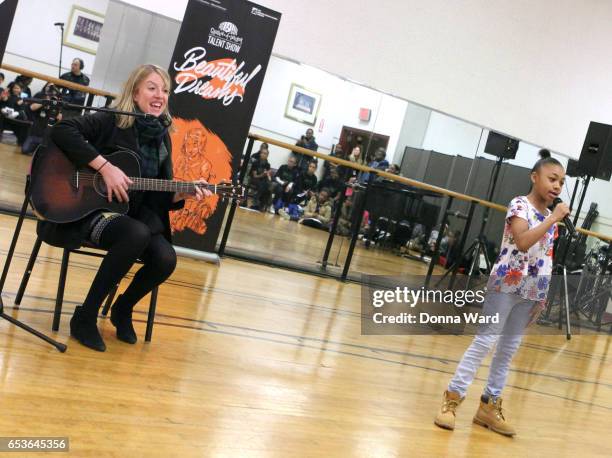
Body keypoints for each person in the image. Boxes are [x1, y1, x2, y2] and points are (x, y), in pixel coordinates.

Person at [39, 64, 210, 352]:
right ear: (135, 91)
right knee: (136, 234)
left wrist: (184, 194)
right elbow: (62, 130)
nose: (160, 96)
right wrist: (104, 167)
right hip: (86, 211)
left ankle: (122, 308)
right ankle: (86, 316)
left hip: (131, 217)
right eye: (153, 88)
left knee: (165, 258)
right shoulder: (112, 120)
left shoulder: (162, 138)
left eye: (165, 90)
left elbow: (158, 195)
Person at [434, 149, 569, 436]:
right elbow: (522, 242)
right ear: (535, 177)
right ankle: (452, 400)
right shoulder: (519, 205)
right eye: (552, 178)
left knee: (508, 350)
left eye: (561, 182)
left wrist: (542, 295)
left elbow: (545, 256)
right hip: (507, 285)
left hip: (530, 291)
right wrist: (553, 220)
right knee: (485, 342)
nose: (557, 186)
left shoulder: (549, 217)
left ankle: (488, 406)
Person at [21, 83, 63, 155]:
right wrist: (45, 101)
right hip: (36, 129)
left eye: (53, 88)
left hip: (47, 131)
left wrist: (56, 105)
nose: (50, 89)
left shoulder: (57, 99)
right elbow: (32, 107)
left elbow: (59, 117)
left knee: (43, 153)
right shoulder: (40, 95)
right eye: (49, 87)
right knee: (25, 150)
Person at [248, 146, 272, 211]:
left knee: (269, 188)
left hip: (263, 180)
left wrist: (268, 174)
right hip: (254, 179)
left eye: (265, 154)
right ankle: (256, 202)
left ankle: (262, 204)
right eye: (262, 153)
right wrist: (262, 174)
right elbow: (255, 176)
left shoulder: (267, 164)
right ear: (260, 154)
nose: (263, 155)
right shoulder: (256, 163)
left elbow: (268, 176)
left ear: (267, 155)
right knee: (263, 185)